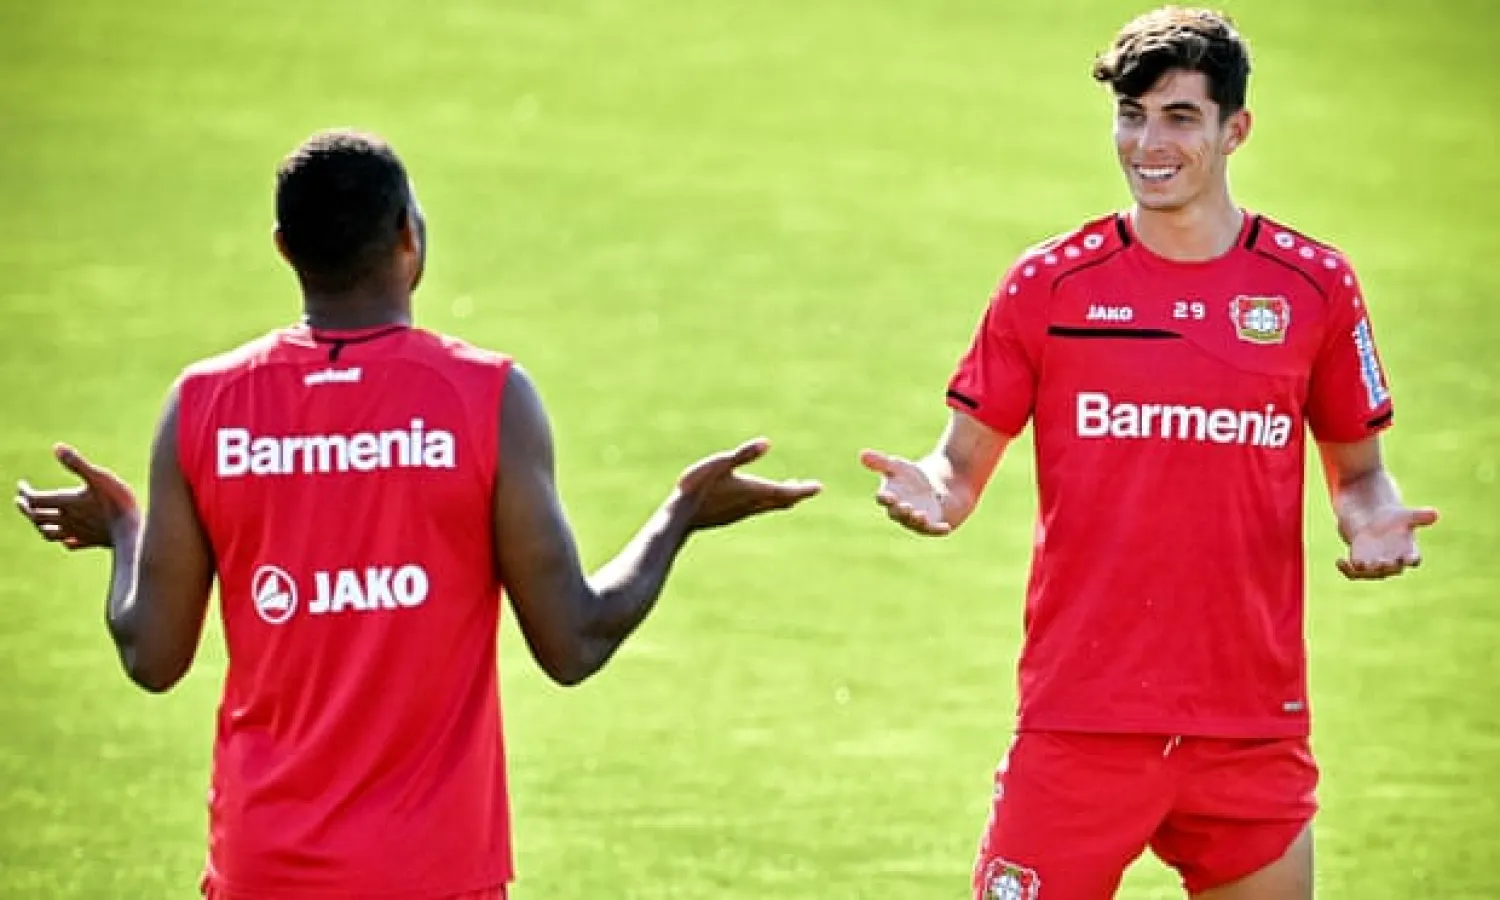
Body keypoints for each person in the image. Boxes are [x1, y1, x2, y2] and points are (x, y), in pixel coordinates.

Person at [13, 129, 821, 900]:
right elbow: (574, 640)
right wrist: (679, 514)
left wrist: (126, 531)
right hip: (435, 873)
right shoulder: (486, 398)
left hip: (264, 868)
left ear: (284, 248)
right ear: (409, 236)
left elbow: (151, 656)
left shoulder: (203, 407)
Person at [858, 8, 1436, 900]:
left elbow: (1358, 473)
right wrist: (930, 491)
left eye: (1178, 117)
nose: (1147, 143)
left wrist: (1373, 524)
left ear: (1235, 129)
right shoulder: (1050, 284)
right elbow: (959, 468)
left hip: (1249, 726)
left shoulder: (1314, 286)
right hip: (1081, 717)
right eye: (1132, 114)